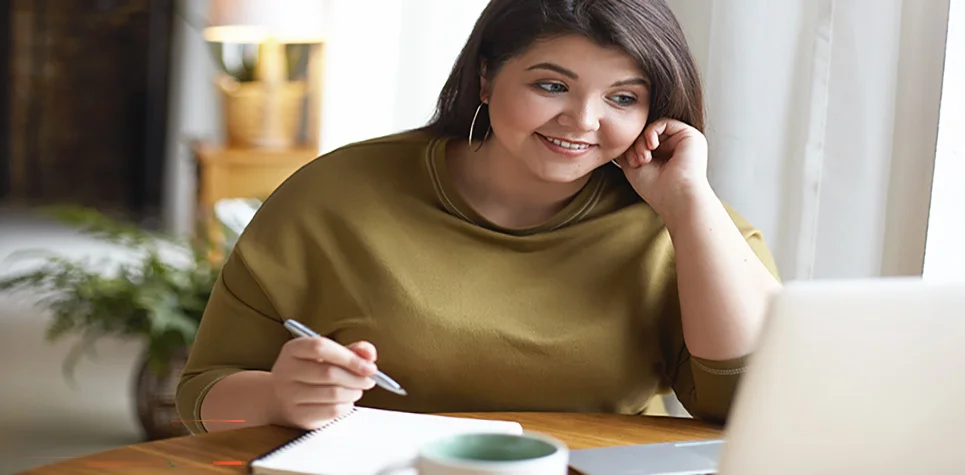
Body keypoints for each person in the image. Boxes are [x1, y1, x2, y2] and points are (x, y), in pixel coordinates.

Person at [175, 0, 781, 436]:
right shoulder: (335, 196)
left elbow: (752, 408)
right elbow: (202, 401)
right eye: (551, 85)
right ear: (486, 78)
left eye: (623, 97)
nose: (583, 120)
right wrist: (282, 398)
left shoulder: (688, 222)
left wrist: (690, 206)